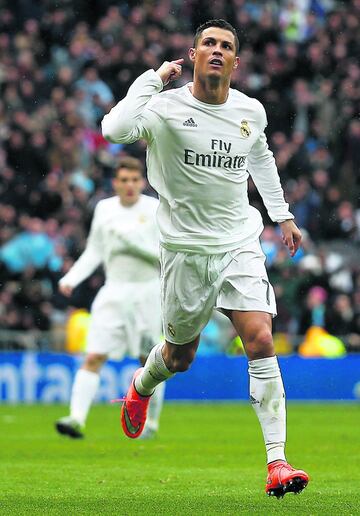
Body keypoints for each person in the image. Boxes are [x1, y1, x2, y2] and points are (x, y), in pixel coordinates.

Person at [102, 19, 309, 497]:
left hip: (239, 241)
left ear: (236, 61)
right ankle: (141, 384)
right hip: (186, 251)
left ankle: (277, 462)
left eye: (226, 46)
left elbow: (261, 156)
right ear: (193, 54)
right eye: (209, 44)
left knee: (260, 339)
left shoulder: (249, 111)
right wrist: (153, 79)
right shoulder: (163, 108)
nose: (217, 51)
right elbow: (113, 129)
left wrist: (281, 214)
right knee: (180, 357)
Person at [55, 156, 165, 440]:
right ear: (115, 183)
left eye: (134, 180)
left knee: (150, 361)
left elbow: (163, 257)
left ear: (142, 182)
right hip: (114, 290)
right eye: (124, 180)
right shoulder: (104, 209)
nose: (129, 185)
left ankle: (150, 424)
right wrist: (71, 278)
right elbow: (95, 251)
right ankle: (76, 419)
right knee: (93, 355)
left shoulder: (155, 209)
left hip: (147, 292)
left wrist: (132, 244)